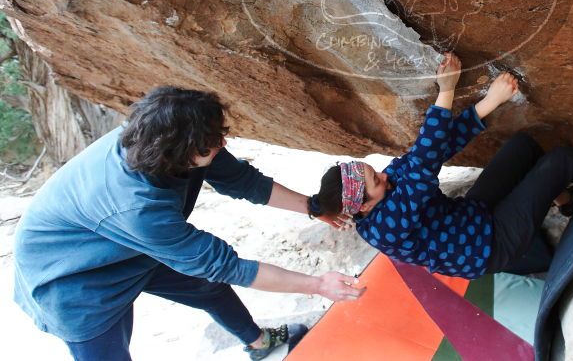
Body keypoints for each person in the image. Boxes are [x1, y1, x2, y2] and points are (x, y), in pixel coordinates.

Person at [13, 86, 363, 361]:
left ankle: (259, 344)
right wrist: (318, 284)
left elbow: (244, 182)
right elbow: (227, 265)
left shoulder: (178, 133)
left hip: (132, 245)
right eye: (213, 144)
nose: (222, 144)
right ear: (177, 153)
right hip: (74, 276)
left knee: (206, 286)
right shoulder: (138, 207)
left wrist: (315, 208)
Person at [308, 53, 573, 278]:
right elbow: (424, 163)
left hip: (469, 218)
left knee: (523, 146)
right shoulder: (385, 227)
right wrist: (448, 91)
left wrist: (487, 106)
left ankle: (567, 199)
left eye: (373, 170)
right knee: (559, 161)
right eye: (375, 182)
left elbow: (434, 149)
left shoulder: (387, 185)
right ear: (364, 206)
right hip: (489, 248)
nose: (383, 175)